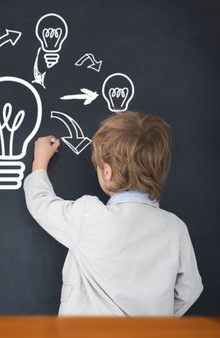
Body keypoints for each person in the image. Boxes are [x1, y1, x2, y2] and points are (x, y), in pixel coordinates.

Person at [23, 111, 203, 316]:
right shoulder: (175, 228)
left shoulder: (89, 216)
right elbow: (189, 290)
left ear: (107, 172)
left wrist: (39, 163)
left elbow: (41, 203)